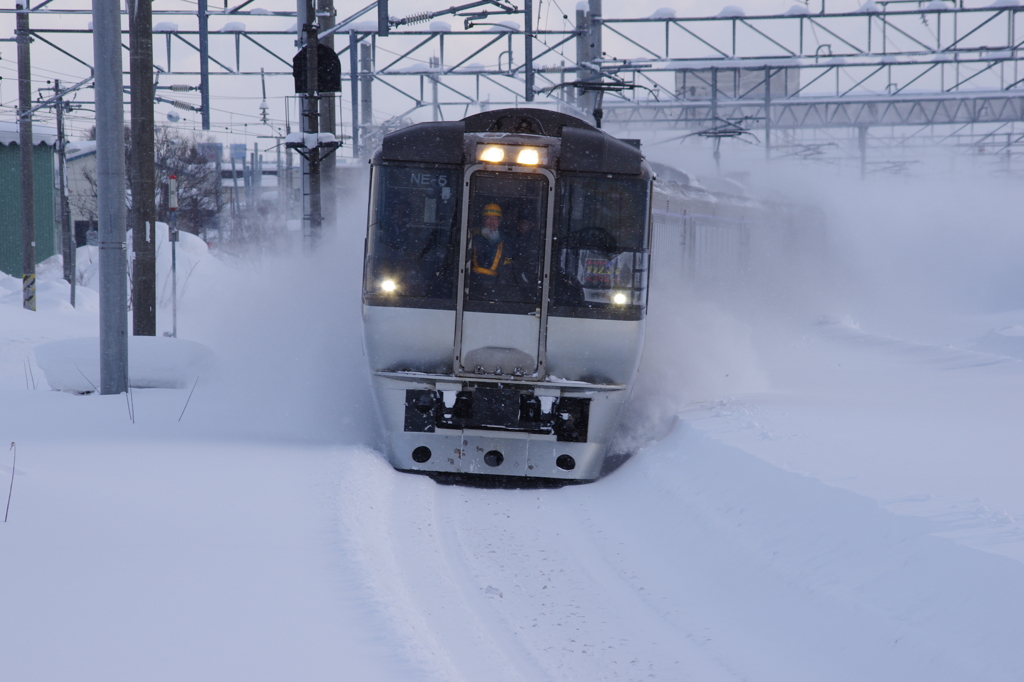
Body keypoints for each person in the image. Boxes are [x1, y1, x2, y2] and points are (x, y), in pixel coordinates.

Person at [470, 203, 513, 293]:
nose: (491, 221)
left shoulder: (506, 240)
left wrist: (500, 282)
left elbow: (508, 265)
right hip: (473, 283)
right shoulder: (472, 237)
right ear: (483, 220)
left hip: (496, 287)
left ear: (500, 221)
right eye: (488, 218)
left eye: (495, 218)